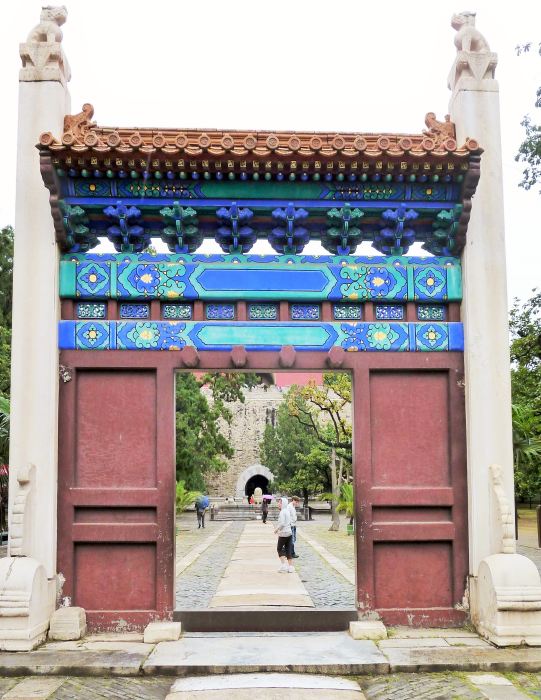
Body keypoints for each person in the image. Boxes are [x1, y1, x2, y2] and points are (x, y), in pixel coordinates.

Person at [274, 497, 294, 573]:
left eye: (279, 502)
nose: (278, 504)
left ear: (283, 504)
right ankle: (290, 567)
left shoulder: (282, 512)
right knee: (288, 549)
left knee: (279, 548)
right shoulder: (287, 511)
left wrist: (277, 529)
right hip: (289, 532)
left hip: (283, 533)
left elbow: (282, 523)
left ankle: (283, 565)